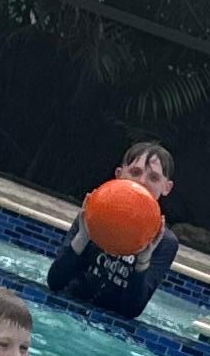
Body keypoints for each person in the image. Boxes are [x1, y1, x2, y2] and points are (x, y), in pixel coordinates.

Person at [45, 137, 179, 322]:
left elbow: (130, 311)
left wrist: (143, 261)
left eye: (153, 178)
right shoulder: (93, 212)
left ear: (166, 188)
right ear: (119, 174)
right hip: (63, 313)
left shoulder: (164, 243)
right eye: (135, 172)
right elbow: (55, 282)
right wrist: (83, 237)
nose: (142, 182)